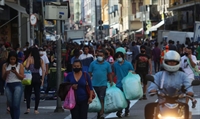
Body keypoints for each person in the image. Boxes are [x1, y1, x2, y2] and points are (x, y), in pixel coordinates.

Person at [144, 51, 194, 119]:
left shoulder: (183, 75)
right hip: (162, 102)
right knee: (148, 107)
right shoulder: (159, 75)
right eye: (169, 62)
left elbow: (188, 85)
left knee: (186, 107)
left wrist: (189, 92)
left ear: (178, 62)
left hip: (178, 101)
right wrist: (153, 90)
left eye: (174, 62)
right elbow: (153, 85)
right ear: (166, 62)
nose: (172, 63)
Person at [88, 50, 113, 119]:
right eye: (98, 55)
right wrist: (87, 82)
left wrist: (111, 81)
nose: (100, 57)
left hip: (103, 84)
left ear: (104, 56)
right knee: (96, 100)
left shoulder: (107, 64)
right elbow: (89, 73)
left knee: (102, 99)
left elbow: (109, 73)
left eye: (101, 55)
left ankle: (101, 113)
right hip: (94, 84)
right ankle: (98, 112)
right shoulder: (93, 64)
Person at [2, 51, 24, 119]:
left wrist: (16, 73)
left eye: (14, 59)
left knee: (16, 105)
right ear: (9, 59)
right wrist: (6, 73)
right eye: (11, 59)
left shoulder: (20, 65)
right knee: (11, 105)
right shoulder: (5, 65)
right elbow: (3, 77)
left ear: (16, 59)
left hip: (17, 84)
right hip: (8, 85)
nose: (12, 61)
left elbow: (22, 77)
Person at [113, 48, 135, 118]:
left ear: (123, 57)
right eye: (118, 57)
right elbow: (114, 73)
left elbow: (133, 72)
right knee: (120, 99)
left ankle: (127, 111)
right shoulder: (115, 65)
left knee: (127, 98)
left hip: (127, 84)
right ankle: (119, 111)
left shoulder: (128, 64)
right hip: (119, 84)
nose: (119, 58)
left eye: (120, 57)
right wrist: (110, 80)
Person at [24, 47, 45, 114]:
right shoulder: (40, 60)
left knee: (28, 93)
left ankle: (28, 108)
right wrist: (42, 79)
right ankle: (36, 109)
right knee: (37, 93)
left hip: (30, 76)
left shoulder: (30, 59)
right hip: (37, 76)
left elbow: (27, 67)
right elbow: (44, 70)